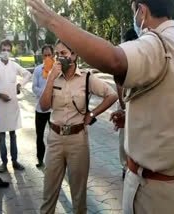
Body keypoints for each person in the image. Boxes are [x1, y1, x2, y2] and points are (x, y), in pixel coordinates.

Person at [26, 0, 174, 213]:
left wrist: (51, 20)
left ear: (142, 11)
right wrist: (134, 119)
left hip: (154, 192)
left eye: (133, 12)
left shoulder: (157, 43)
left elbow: (114, 60)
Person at [39, 40, 118, 214]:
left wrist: (92, 114)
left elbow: (111, 95)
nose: (60, 58)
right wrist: (51, 77)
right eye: (58, 54)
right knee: (49, 191)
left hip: (78, 140)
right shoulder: (53, 76)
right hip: (55, 139)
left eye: (64, 53)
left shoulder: (87, 77)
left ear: (74, 55)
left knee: (78, 194)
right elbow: (44, 106)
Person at [0, 39, 32, 173]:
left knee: (13, 135)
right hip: (1, 107)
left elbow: (27, 74)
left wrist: (20, 85)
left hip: (12, 106)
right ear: (0, 50)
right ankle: (4, 163)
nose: (6, 52)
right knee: (2, 136)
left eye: (8, 50)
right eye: (4, 50)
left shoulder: (14, 65)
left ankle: (14, 161)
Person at [113, 28, 138, 180]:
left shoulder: (139, 55)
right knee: (124, 136)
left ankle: (130, 164)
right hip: (126, 102)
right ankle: (125, 167)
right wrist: (124, 105)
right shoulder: (124, 56)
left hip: (137, 102)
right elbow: (119, 83)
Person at [32, 44, 54, 168]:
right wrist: (46, 92)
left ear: (53, 55)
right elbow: (34, 87)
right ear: (42, 56)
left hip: (54, 109)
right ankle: (40, 159)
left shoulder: (57, 70)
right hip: (40, 109)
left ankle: (54, 160)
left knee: (55, 137)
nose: (47, 57)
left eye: (49, 55)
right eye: (45, 55)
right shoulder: (37, 70)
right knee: (39, 136)